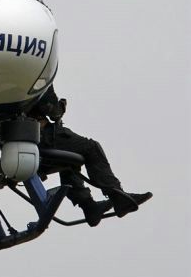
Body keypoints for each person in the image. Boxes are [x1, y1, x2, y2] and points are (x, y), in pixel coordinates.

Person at [28, 85, 152, 227]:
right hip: (40, 139)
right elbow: (53, 111)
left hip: (21, 148)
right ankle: (117, 195)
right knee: (91, 148)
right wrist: (60, 107)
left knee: (69, 160)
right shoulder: (35, 77)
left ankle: (89, 207)